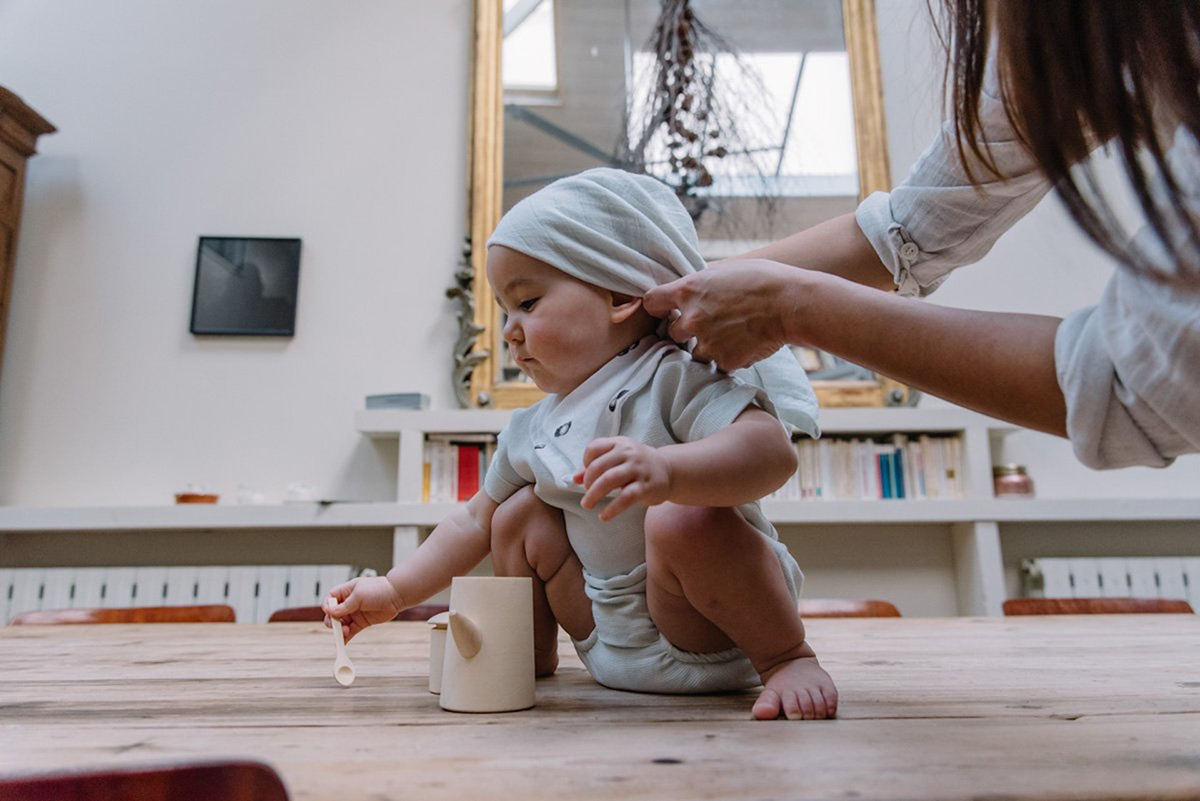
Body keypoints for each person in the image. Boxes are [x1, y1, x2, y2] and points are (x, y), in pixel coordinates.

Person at [326, 168, 837, 720]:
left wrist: (669, 472)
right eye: (503, 312)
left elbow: (771, 454)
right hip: (608, 643)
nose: (508, 331)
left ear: (619, 294)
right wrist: (395, 592)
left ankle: (788, 658)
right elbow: (471, 522)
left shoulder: (672, 377)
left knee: (679, 517)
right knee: (516, 513)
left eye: (527, 303)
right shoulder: (532, 427)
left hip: (709, 630)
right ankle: (524, 655)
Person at [643, 0, 1200, 471]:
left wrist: (786, 307)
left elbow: (1138, 387)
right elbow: (911, 230)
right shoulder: (1073, 54)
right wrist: (688, 297)